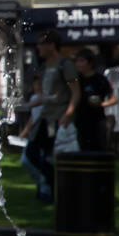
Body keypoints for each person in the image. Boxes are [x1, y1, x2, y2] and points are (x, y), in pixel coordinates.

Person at [25, 29, 79, 203]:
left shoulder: (65, 65)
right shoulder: (44, 67)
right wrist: (24, 106)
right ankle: (49, 184)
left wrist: (68, 114)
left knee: (50, 156)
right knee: (31, 153)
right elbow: (45, 95)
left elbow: (75, 93)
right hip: (45, 116)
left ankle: (51, 192)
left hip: (57, 117)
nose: (38, 47)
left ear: (51, 45)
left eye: (41, 43)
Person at [73, 49, 116, 152]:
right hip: (81, 120)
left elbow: (113, 99)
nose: (78, 64)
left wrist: (101, 104)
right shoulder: (76, 80)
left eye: (81, 61)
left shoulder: (100, 79)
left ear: (90, 63)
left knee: (99, 148)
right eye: (77, 61)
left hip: (97, 120)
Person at [18, 74, 50, 196]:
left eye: (40, 84)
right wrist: (26, 130)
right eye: (36, 84)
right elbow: (33, 116)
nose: (37, 86)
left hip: (44, 134)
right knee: (26, 160)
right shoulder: (34, 98)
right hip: (35, 134)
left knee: (42, 160)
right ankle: (41, 182)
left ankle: (44, 188)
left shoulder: (48, 99)